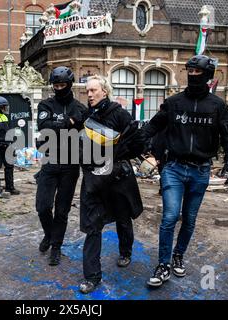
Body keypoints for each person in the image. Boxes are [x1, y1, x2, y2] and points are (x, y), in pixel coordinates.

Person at [141, 55, 228, 287]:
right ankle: (163, 264)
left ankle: (178, 255)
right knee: (170, 216)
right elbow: (153, 125)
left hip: (201, 171)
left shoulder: (218, 106)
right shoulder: (174, 103)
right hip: (173, 168)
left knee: (190, 219)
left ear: (208, 75)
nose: (193, 76)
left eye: (198, 72)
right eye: (190, 72)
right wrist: (142, 144)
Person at [78, 75, 145, 294]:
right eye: (87, 91)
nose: (89, 95)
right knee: (92, 227)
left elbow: (139, 142)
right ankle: (92, 276)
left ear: (104, 92)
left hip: (117, 177)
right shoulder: (86, 115)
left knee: (123, 219)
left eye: (93, 91)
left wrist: (121, 155)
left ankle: (125, 252)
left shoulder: (119, 113)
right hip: (94, 178)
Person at [35, 66, 86, 266]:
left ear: (69, 84)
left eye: (62, 85)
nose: (58, 88)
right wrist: (69, 122)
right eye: (55, 85)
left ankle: (56, 247)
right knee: (43, 206)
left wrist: (62, 124)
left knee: (62, 211)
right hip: (49, 161)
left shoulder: (80, 108)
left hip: (71, 165)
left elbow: (85, 128)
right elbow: (44, 127)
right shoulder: (45, 105)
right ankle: (49, 234)